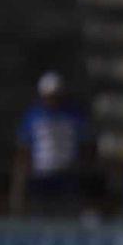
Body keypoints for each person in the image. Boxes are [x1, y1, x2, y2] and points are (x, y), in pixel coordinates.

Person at [11, 72, 94, 215]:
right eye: (49, 96)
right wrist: (19, 182)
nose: (52, 100)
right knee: (40, 214)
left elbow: (86, 144)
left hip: (67, 175)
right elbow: (24, 148)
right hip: (41, 175)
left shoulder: (74, 115)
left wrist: (83, 169)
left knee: (67, 214)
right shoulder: (33, 116)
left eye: (55, 96)